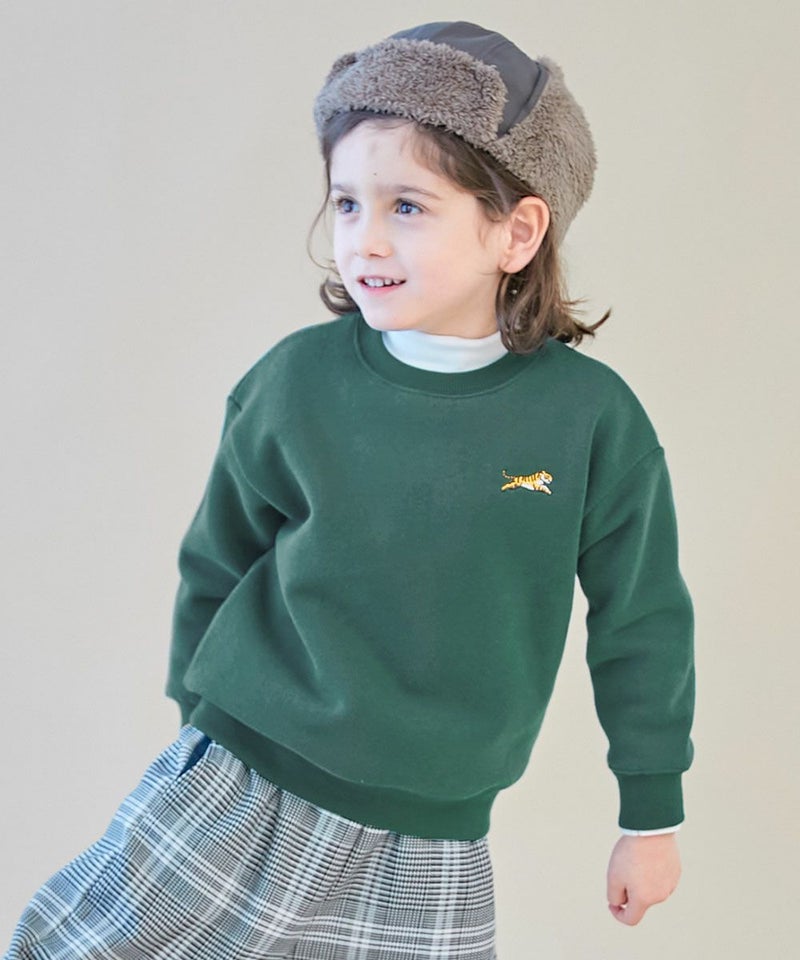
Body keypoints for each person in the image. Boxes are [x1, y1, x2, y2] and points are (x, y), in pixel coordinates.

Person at [4, 20, 694, 959]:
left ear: (517, 231)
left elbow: (643, 622)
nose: (363, 239)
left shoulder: (590, 420)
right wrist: (190, 731)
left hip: (432, 835)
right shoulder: (295, 382)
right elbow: (217, 559)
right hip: (241, 779)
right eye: (345, 203)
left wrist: (650, 816)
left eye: (407, 206)